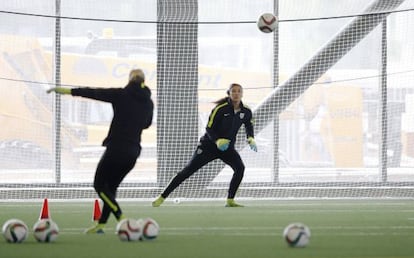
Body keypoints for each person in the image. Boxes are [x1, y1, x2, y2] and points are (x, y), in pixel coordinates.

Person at [47, 69, 154, 233]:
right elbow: (146, 124)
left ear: (129, 79)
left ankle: (121, 217)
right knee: (110, 188)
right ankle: (102, 224)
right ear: (143, 82)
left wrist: (65, 91)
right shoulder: (148, 102)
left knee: (99, 185)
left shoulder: (121, 95)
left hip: (116, 148)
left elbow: (93, 93)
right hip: (133, 152)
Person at [152, 83, 257, 208]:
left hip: (227, 148)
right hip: (208, 146)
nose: (236, 93)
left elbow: (248, 125)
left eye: (239, 91)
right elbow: (209, 128)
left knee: (240, 168)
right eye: (233, 91)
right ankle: (162, 196)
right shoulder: (220, 108)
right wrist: (217, 141)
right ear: (229, 93)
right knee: (188, 171)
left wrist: (250, 138)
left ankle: (230, 200)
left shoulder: (246, 111)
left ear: (242, 94)